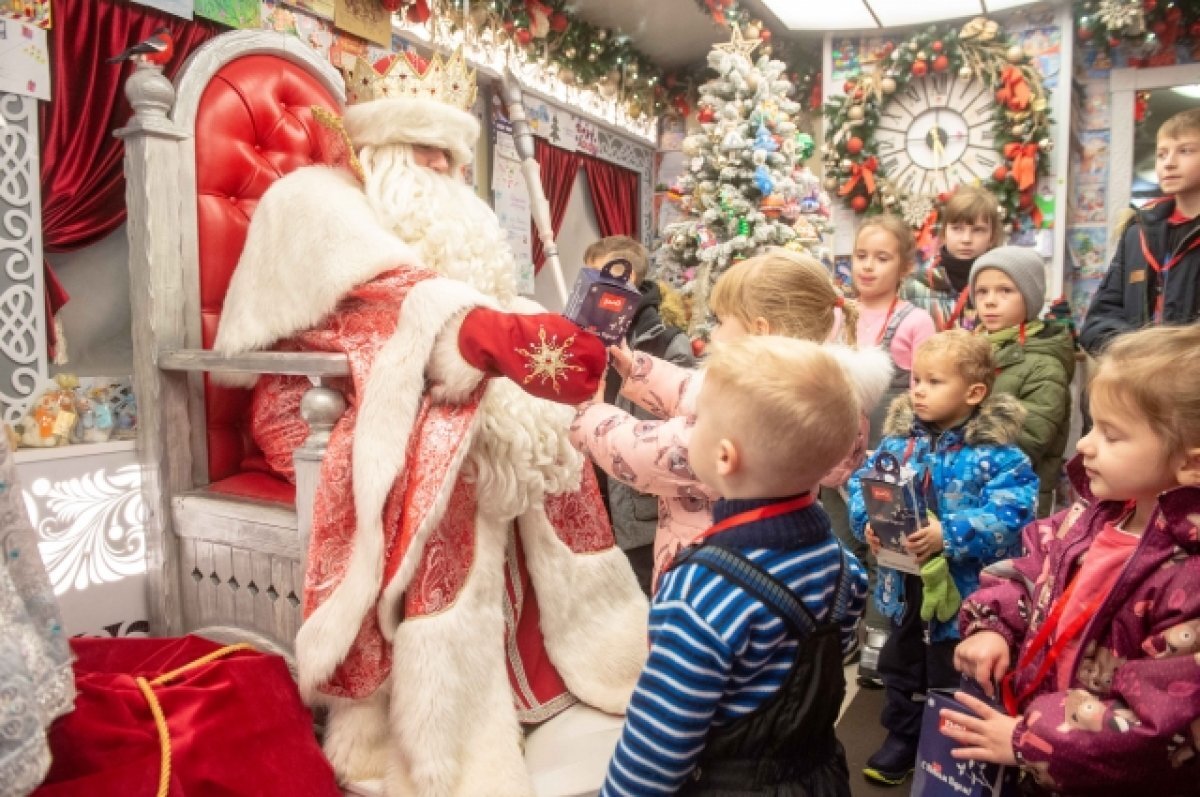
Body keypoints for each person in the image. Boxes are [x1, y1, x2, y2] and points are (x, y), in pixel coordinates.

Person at [212, 50, 649, 796]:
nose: (443, 168)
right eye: (424, 149)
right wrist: (476, 332)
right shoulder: (313, 200)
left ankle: (552, 664)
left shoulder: (446, 213)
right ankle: (443, 731)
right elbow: (377, 302)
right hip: (320, 406)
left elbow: (482, 308)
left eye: (450, 152)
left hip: (427, 392)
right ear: (378, 144)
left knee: (527, 433)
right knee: (452, 451)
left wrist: (521, 333)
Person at [600, 336, 869, 796]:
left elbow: (656, 749)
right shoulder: (844, 565)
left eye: (697, 420)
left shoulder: (700, 590)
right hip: (820, 777)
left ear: (724, 456)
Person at [949, 324, 1200, 796]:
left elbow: (1163, 722)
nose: (1084, 446)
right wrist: (993, 625)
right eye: (1091, 427)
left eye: (1111, 435)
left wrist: (1031, 741)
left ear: (1191, 464)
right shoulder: (1092, 516)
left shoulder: (1190, 577)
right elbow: (1030, 570)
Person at [570, 249, 890, 590]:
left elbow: (645, 454)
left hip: (709, 580)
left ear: (759, 330)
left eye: (722, 322)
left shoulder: (750, 422)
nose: (714, 335)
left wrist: (591, 414)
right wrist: (638, 369)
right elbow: (694, 390)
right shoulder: (805, 395)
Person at [848, 330, 1038, 786]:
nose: (918, 390)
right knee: (901, 664)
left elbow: (1013, 513)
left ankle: (950, 753)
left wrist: (948, 533)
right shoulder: (897, 445)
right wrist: (869, 522)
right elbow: (863, 485)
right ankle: (902, 737)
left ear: (974, 392)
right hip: (905, 585)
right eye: (916, 379)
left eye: (934, 382)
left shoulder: (1000, 456)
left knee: (955, 672)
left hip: (967, 593)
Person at [583, 235, 696, 594]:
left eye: (597, 279)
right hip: (597, 491)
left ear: (627, 279)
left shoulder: (665, 341)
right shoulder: (585, 331)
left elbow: (676, 420)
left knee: (645, 595)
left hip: (640, 505)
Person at [1080, 108, 1200, 355]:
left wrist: (1177, 354)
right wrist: (1140, 350)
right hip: (1140, 372)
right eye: (1162, 154)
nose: (1169, 163)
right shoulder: (1137, 232)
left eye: (1186, 151)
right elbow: (1098, 321)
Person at [969, 246, 1075, 517]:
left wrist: (958, 436)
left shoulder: (1045, 366)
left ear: (1030, 298)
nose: (990, 301)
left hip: (1016, 503)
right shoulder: (967, 350)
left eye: (1005, 290)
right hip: (967, 494)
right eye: (982, 292)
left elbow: (1028, 440)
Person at [901, 184, 1004, 332]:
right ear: (944, 233)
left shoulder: (1006, 286)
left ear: (992, 237)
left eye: (978, 230)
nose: (966, 239)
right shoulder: (915, 286)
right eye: (957, 229)